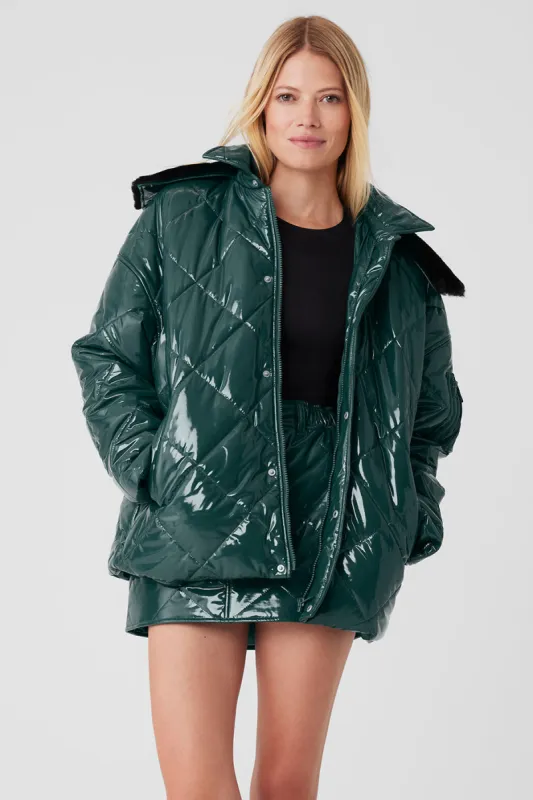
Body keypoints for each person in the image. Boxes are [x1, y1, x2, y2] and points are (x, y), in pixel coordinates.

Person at [71, 14, 465, 800]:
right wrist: (154, 468)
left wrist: (405, 511)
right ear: (261, 104)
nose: (306, 117)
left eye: (328, 98)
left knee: (287, 786)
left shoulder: (397, 261)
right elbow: (108, 355)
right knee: (197, 790)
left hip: (335, 531)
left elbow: (429, 416)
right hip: (194, 522)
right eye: (287, 96)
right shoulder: (183, 215)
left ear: (354, 111)